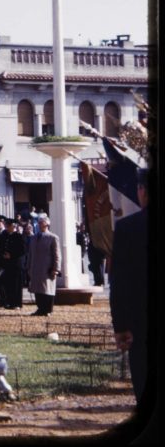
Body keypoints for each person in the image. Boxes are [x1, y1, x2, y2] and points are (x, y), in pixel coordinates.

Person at [110, 168, 148, 403]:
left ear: (142, 190)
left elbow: (119, 283)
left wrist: (120, 326)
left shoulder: (127, 228)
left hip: (141, 323)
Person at [27, 214, 60, 316]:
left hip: (47, 268)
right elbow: (30, 253)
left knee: (48, 289)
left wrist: (56, 269)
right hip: (35, 267)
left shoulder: (53, 237)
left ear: (47, 224)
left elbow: (57, 254)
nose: (40, 224)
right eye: (39, 222)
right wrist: (29, 267)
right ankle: (40, 308)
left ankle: (48, 310)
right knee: (37, 289)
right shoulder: (33, 238)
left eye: (43, 222)